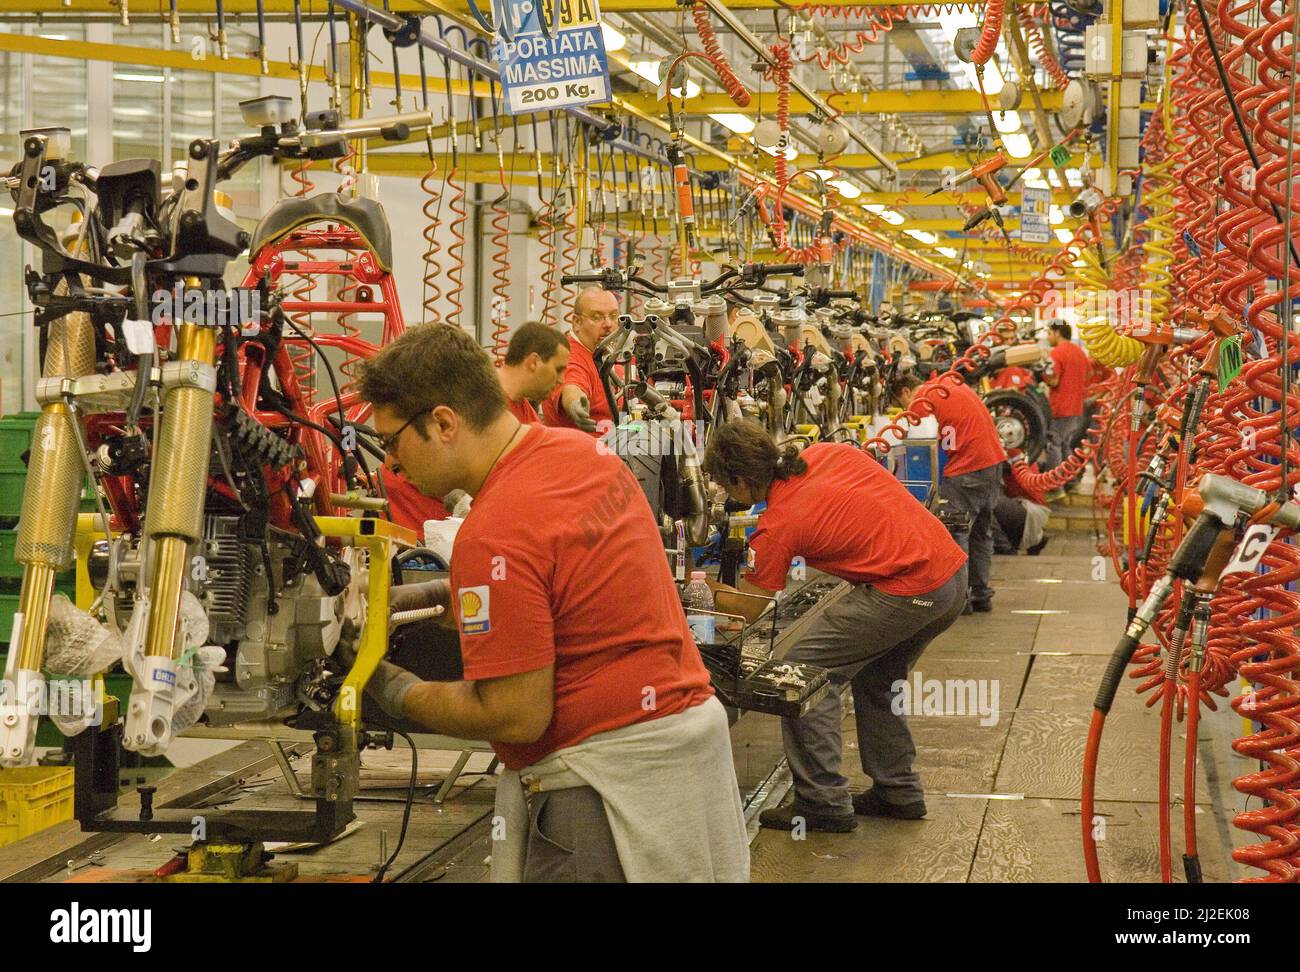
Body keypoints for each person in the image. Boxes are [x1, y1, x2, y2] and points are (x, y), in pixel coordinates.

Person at [356, 324, 748, 883]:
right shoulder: (582, 452)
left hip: (606, 789)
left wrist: (394, 690)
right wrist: (444, 593)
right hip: (683, 754)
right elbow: (565, 586)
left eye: (391, 440)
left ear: (443, 423)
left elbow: (516, 714)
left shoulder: (494, 533)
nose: (390, 463)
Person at [702, 421, 968, 832]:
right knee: (878, 678)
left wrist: (694, 588)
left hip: (908, 588)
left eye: (725, 485)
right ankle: (898, 791)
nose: (726, 495)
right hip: (951, 576)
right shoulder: (827, 453)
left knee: (799, 675)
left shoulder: (780, 524)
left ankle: (822, 801)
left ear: (739, 478)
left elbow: (745, 611)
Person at [895, 372, 1006, 613]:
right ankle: (980, 594)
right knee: (981, 532)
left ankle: (960, 601)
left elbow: (913, 434)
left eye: (902, 404)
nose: (907, 409)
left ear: (905, 392)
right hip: (993, 464)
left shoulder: (923, 397)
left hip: (968, 469)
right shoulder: (948, 385)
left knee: (955, 533)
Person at [542, 286, 620, 435]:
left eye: (614, 315)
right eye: (597, 317)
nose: (608, 324)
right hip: (585, 453)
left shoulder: (611, 354)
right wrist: (576, 405)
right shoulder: (570, 357)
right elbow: (571, 386)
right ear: (577, 322)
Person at [1043, 320, 1090, 480]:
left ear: (1057, 333)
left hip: (1061, 408)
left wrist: (1043, 376)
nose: (1048, 337)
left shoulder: (1057, 352)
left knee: (1053, 445)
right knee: (1065, 445)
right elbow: (1089, 374)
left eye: (1049, 333)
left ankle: (1055, 484)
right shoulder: (1079, 352)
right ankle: (1072, 480)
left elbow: (1053, 381)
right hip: (1077, 407)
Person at [498, 321, 569, 424]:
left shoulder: (522, 406)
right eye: (558, 370)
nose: (561, 380)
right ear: (533, 362)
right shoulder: (485, 407)